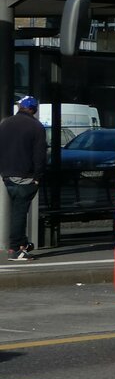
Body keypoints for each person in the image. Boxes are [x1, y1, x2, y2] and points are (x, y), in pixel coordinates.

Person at [1, 96, 47, 261]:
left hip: (7, 175)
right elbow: (40, 155)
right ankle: (15, 249)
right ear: (33, 109)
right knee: (20, 213)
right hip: (26, 176)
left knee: (16, 209)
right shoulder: (36, 127)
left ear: (20, 107)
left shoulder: (5, 124)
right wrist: (37, 177)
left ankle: (23, 243)